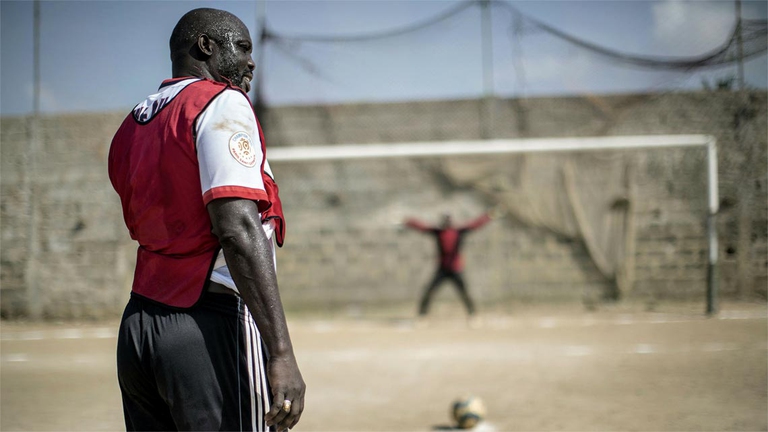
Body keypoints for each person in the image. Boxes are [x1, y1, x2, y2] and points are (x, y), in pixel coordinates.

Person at [108, 8, 304, 432]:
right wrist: (281, 353)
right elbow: (237, 229)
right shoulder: (220, 102)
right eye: (244, 48)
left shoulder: (133, 123)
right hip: (208, 325)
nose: (252, 62)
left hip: (140, 327)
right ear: (206, 47)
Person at [404, 212, 493, 318]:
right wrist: (408, 221)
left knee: (464, 292)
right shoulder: (438, 232)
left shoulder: (459, 232)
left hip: (455, 269)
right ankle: (422, 315)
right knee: (429, 291)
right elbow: (422, 227)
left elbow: (475, 224)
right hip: (442, 269)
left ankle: (472, 314)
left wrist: (489, 216)